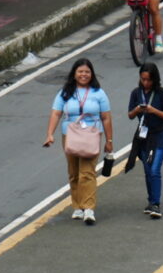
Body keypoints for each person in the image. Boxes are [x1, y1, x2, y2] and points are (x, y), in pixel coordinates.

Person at [43, 58, 113, 222]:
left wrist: (109, 141)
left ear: (92, 74)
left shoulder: (98, 93)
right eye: (80, 71)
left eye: (87, 72)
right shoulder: (65, 93)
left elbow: (106, 117)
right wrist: (50, 134)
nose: (84, 75)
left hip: (92, 134)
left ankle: (88, 208)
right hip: (70, 134)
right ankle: (77, 206)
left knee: (87, 172)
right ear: (74, 74)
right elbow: (56, 113)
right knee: (74, 172)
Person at [124, 64, 163, 219]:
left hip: (160, 135)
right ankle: (151, 200)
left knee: (154, 169)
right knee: (147, 169)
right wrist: (138, 110)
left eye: (149, 80)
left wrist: (154, 111)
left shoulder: (162, 93)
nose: (145, 83)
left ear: (155, 79)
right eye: (143, 79)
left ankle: (156, 204)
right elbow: (130, 115)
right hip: (144, 137)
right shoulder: (136, 93)